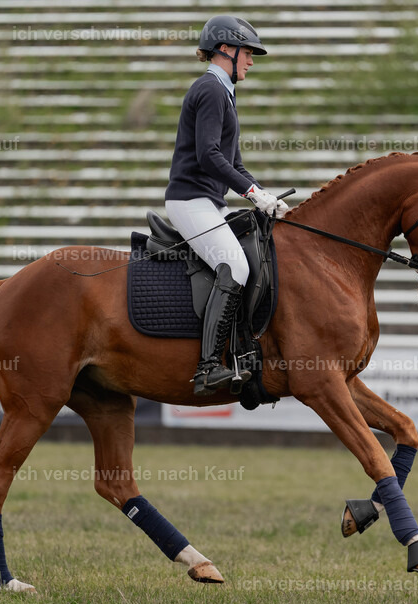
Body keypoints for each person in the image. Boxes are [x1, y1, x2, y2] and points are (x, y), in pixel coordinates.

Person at [165, 15, 288, 397]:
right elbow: (208, 155)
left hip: (208, 202)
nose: (251, 61)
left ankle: (241, 352)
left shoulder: (224, 94)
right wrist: (251, 193)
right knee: (233, 265)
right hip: (190, 201)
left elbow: (232, 163)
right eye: (248, 53)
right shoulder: (212, 90)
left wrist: (264, 196)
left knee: (253, 255)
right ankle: (207, 367)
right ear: (226, 50)